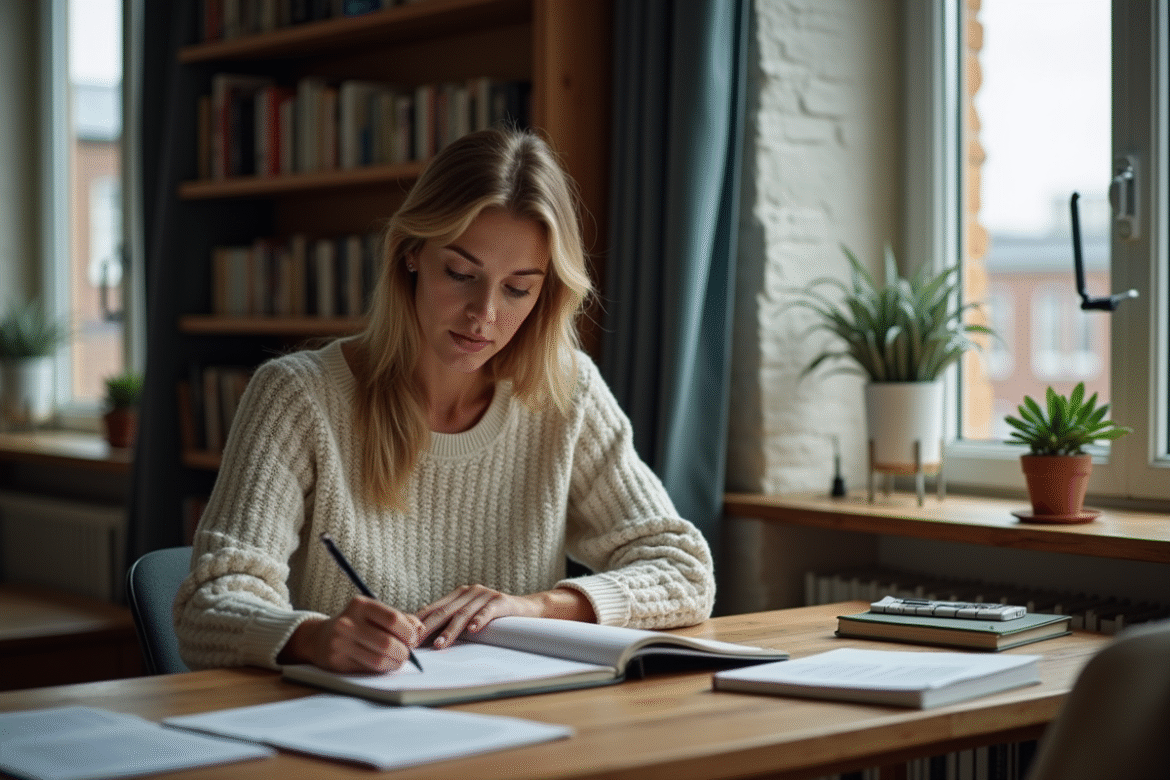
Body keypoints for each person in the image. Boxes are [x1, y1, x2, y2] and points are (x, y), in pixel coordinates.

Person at [174, 127, 716, 673]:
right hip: (349, 717)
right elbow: (207, 607)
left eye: (518, 288)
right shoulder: (298, 397)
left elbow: (684, 570)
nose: (484, 316)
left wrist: (535, 608)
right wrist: (313, 638)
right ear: (411, 252)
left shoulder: (565, 392)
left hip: (518, 712)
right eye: (460, 273)